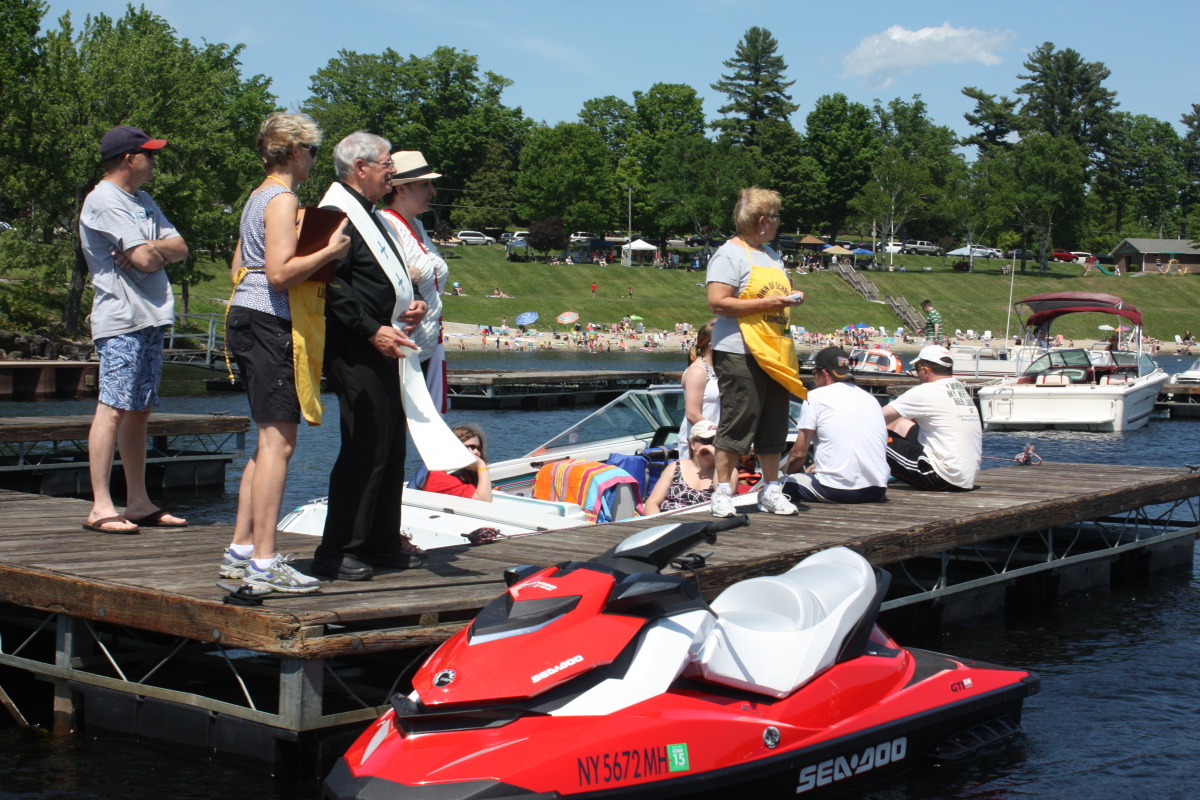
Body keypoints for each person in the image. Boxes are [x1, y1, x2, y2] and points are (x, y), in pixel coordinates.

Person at [220, 113, 350, 592]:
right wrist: (329, 251)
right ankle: (264, 560)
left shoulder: (257, 197)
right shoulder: (283, 198)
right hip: (270, 322)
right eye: (313, 152)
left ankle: (240, 549)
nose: (314, 160)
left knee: (265, 443)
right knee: (281, 444)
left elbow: (241, 264)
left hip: (248, 317)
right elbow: (278, 274)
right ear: (296, 152)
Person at [310, 132, 427, 582]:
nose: (391, 172)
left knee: (390, 445)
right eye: (385, 164)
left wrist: (411, 300)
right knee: (364, 445)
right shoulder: (335, 212)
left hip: (387, 341)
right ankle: (338, 550)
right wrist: (370, 327)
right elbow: (330, 284)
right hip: (355, 346)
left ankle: (380, 540)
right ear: (360, 167)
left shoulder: (370, 215)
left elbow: (389, 272)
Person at [80, 126, 189, 534]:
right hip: (121, 320)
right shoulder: (105, 200)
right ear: (129, 158)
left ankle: (138, 501)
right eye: (149, 154)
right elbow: (143, 259)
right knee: (112, 407)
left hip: (151, 316)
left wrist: (151, 250)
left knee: (140, 409)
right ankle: (101, 506)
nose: (154, 161)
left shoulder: (142, 200)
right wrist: (151, 251)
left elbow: (179, 247)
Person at [705, 187, 807, 518]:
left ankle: (771, 490)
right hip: (739, 351)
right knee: (738, 421)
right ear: (763, 221)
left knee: (774, 425)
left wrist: (791, 297)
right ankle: (722, 492)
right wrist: (770, 302)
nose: (779, 223)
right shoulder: (729, 254)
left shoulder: (771, 255)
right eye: (777, 217)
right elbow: (718, 303)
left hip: (775, 351)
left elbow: (776, 294)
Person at [380, 151, 450, 413]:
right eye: (424, 184)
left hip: (428, 346)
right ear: (401, 189)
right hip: (402, 349)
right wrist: (409, 276)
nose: (432, 191)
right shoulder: (385, 224)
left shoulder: (418, 226)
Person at [781, 347, 888, 505]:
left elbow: (798, 454)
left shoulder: (816, 397)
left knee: (775, 486)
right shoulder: (869, 398)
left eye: (814, 373)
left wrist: (789, 476)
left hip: (836, 491)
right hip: (876, 490)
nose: (814, 379)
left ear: (823, 373)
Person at [882, 345, 982, 492]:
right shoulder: (959, 388)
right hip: (965, 477)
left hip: (940, 477)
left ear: (926, 371)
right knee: (902, 423)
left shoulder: (925, 391)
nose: (917, 373)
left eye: (917, 368)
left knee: (871, 437)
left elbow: (874, 418)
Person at [644, 421, 718, 515]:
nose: (711, 446)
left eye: (716, 441)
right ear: (693, 444)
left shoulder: (727, 471)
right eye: (707, 441)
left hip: (703, 524)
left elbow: (725, 496)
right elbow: (652, 503)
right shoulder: (675, 467)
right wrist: (657, 524)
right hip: (667, 521)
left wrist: (719, 459)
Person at [677, 320, 719, 460]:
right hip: (700, 441)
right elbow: (692, 414)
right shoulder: (697, 371)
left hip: (715, 440)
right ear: (711, 345)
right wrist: (718, 435)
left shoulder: (717, 369)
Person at [423, 424, 492, 501]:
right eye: (471, 447)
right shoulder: (441, 476)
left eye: (478, 448)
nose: (477, 452)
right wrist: (481, 465)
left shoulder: (465, 473)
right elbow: (484, 500)